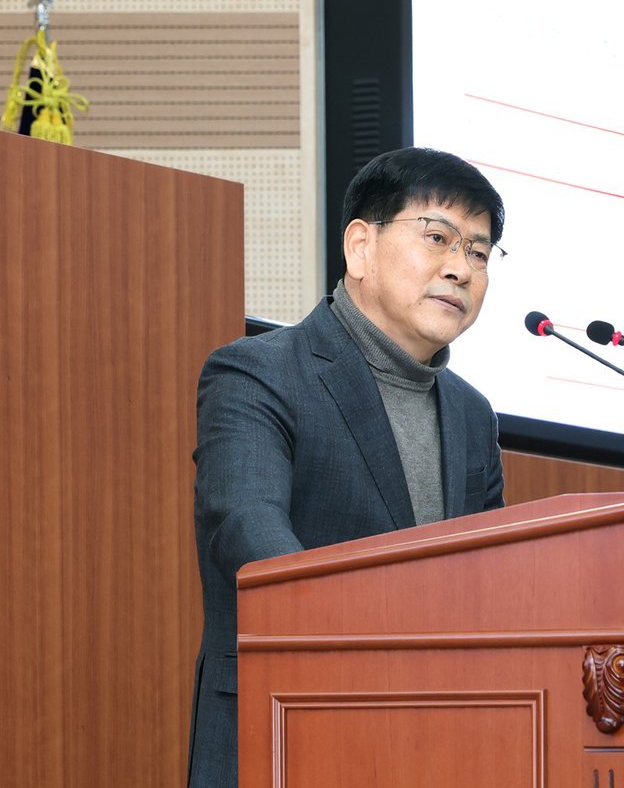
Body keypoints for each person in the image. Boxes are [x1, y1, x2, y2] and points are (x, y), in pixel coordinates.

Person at [186, 147, 507, 787]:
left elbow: (496, 579)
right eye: (438, 238)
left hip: (435, 746)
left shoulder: (472, 415)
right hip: (288, 729)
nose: (461, 268)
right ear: (360, 247)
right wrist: (388, 647)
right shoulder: (258, 373)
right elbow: (248, 531)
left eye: (479, 252)